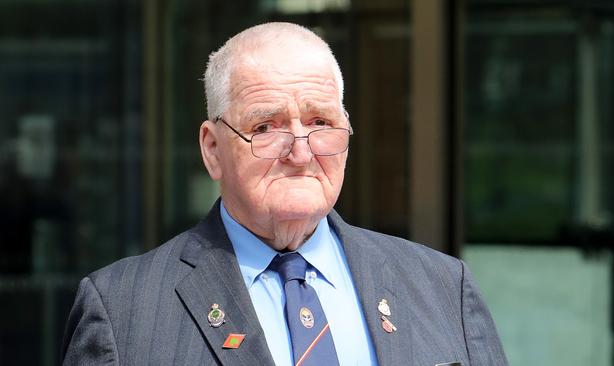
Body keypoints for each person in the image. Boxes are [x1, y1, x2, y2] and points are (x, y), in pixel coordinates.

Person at [61, 22, 508, 366]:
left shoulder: (442, 286)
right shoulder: (122, 311)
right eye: (265, 127)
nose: (300, 151)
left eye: (320, 123)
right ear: (212, 149)